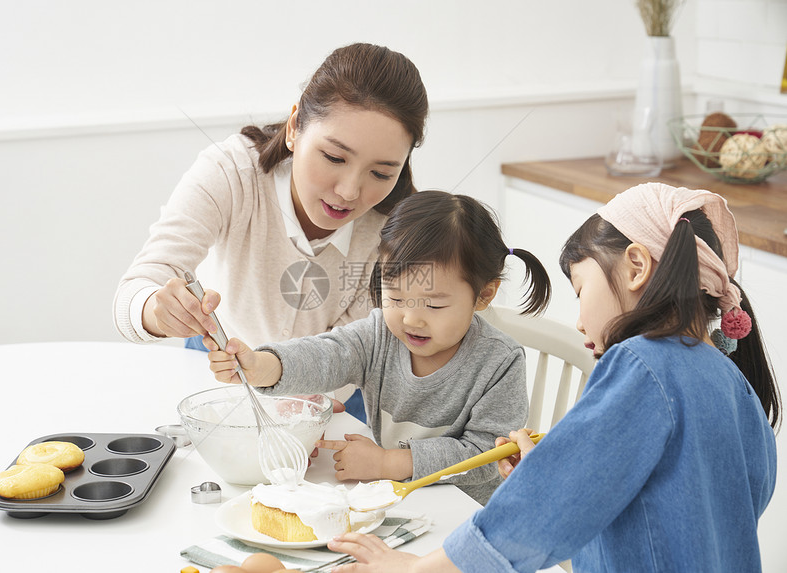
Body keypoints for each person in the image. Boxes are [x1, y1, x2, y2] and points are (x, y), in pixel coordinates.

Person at [326, 182, 780, 572]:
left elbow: (548, 507)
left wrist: (420, 567)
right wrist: (552, 468)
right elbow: (714, 503)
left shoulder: (643, 364)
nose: (580, 321)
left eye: (581, 289)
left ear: (636, 267)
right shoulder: (733, 379)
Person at [112, 43, 428, 417]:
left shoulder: (393, 233)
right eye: (333, 157)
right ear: (295, 128)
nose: (349, 192)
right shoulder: (232, 172)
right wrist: (154, 310)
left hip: (332, 384)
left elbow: (347, 354)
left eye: (381, 173)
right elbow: (134, 292)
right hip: (217, 363)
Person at [206, 190, 552, 504]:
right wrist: (264, 365)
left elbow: (485, 458)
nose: (412, 319)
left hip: (465, 514)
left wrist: (389, 462)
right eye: (397, 298)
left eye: (433, 306)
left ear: (484, 295)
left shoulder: (499, 362)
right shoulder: (379, 336)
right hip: (391, 500)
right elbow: (326, 355)